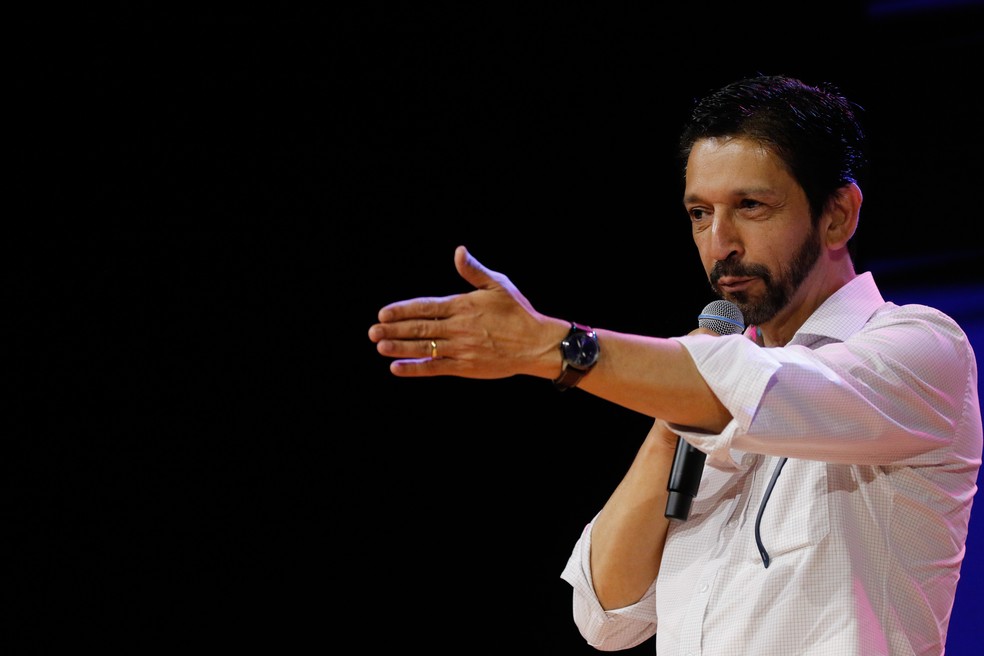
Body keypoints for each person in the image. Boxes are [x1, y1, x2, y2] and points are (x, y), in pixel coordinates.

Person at [366, 74, 982, 654]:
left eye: (751, 206)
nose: (721, 243)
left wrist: (553, 346)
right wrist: (671, 412)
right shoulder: (705, 383)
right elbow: (605, 612)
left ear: (838, 215)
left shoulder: (922, 349)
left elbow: (764, 393)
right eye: (700, 213)